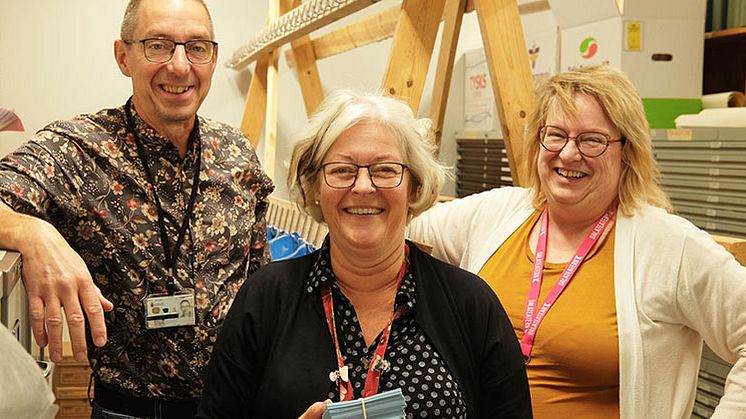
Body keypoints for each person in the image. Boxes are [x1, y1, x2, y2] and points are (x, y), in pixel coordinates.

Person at [407, 64, 746, 418]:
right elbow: (399, 235)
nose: (568, 154)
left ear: (626, 151)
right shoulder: (496, 214)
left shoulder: (668, 246)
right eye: (555, 135)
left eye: (592, 140)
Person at [0, 0, 273, 417]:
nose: (180, 67)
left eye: (196, 47)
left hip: (235, 405)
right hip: (127, 409)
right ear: (123, 56)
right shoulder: (78, 150)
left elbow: (261, 283)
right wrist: (33, 233)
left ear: (213, 58)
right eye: (158, 45)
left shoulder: (236, 152)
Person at [197, 91, 532, 418]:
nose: (363, 187)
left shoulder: (470, 304)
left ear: (413, 186)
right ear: (315, 186)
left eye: (385, 170)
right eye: (342, 170)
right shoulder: (265, 298)